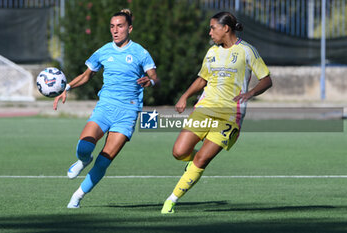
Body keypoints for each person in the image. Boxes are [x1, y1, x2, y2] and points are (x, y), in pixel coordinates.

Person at [161, 11, 272, 214]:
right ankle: (193, 164)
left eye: (213, 28)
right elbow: (202, 79)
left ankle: (171, 200)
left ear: (225, 28)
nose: (210, 32)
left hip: (229, 116)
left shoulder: (247, 51)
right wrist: (184, 96)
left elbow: (266, 79)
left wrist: (252, 92)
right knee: (179, 152)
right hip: (204, 110)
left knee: (202, 160)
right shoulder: (212, 52)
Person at [53, 9, 160, 208]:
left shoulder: (140, 52)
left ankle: (77, 197)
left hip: (128, 112)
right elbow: (87, 75)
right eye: (112, 26)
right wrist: (66, 87)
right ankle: (83, 160)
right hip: (105, 107)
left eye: (120, 26)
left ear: (130, 28)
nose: (115, 30)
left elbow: (155, 78)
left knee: (104, 161)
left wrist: (151, 83)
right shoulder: (103, 51)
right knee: (84, 146)